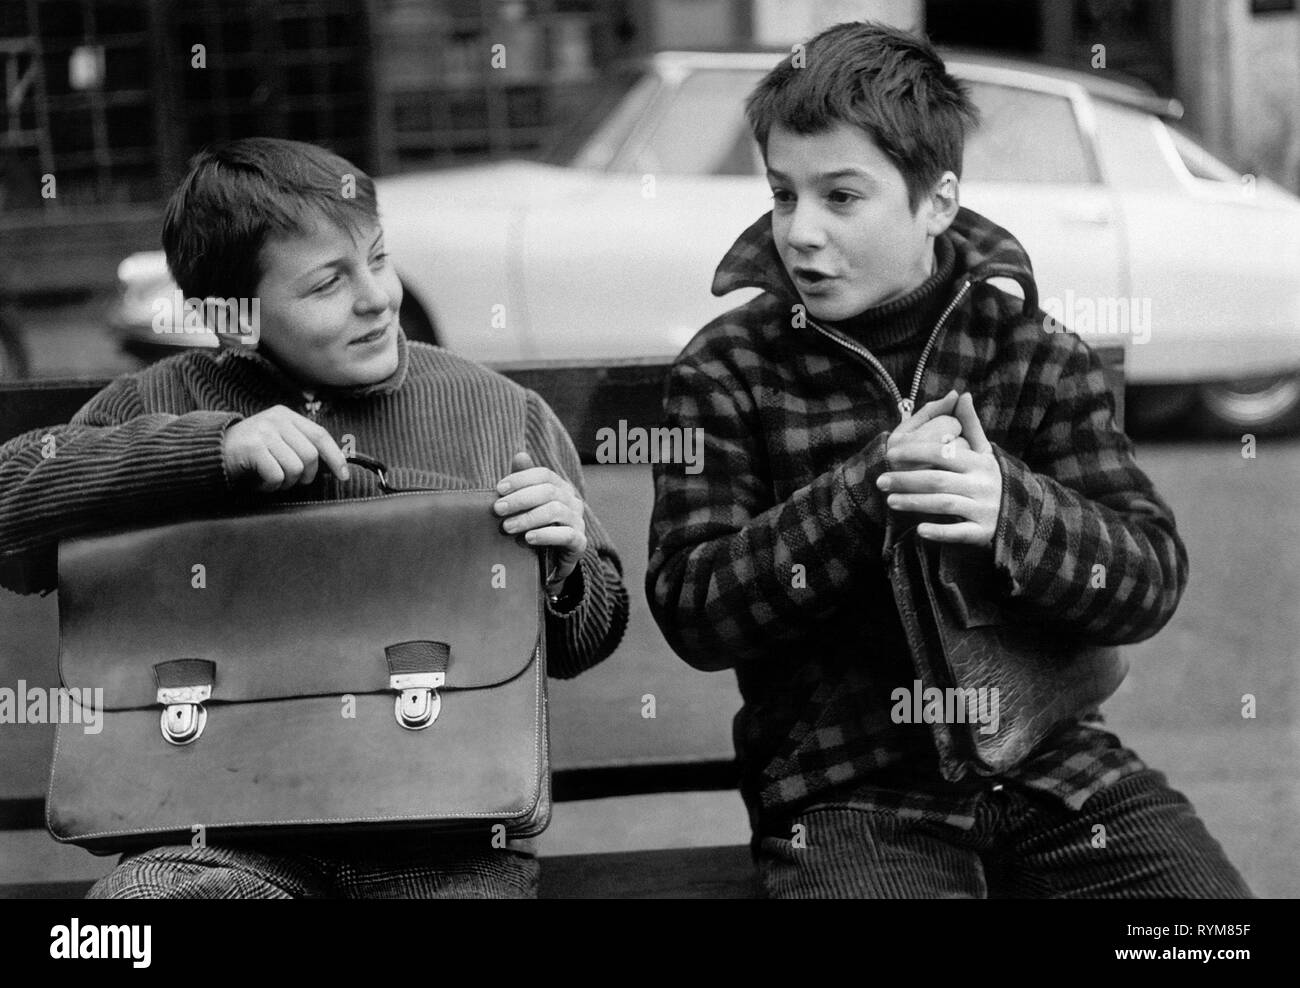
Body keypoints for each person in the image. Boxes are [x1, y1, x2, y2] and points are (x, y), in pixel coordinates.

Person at [645, 21, 1251, 899]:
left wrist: (1015, 510)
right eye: (783, 194)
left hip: (1056, 771)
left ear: (937, 200)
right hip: (849, 799)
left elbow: (1151, 578)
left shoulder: (1031, 350)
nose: (800, 233)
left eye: (841, 197)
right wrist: (864, 492)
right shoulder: (727, 368)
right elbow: (695, 612)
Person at [0, 137, 629, 898]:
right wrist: (210, 451)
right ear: (232, 321)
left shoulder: (498, 412)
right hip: (217, 841)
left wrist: (564, 563)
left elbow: (583, 642)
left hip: (448, 836)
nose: (377, 298)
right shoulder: (158, 402)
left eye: (379, 257)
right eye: (327, 283)